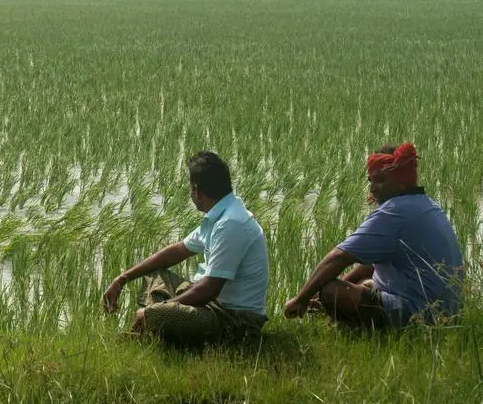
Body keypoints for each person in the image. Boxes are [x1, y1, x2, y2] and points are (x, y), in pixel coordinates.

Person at [284, 143, 463, 329]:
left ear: (400, 180)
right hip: (447, 310)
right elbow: (369, 264)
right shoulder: (425, 203)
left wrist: (301, 299)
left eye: (379, 180)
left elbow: (339, 257)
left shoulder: (395, 211)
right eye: (370, 180)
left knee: (331, 291)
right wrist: (334, 287)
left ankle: (358, 332)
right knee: (363, 282)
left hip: (421, 314)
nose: (372, 189)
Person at [102, 151, 269, 346]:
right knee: (153, 274)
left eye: (190, 188)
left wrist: (154, 311)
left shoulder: (231, 223)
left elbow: (208, 290)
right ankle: (158, 330)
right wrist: (122, 279)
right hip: (213, 307)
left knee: (158, 313)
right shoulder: (221, 215)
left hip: (234, 320)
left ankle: (152, 330)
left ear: (197, 191)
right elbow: (177, 251)